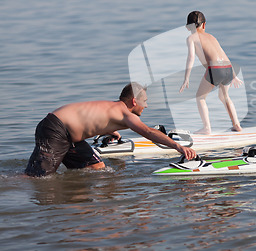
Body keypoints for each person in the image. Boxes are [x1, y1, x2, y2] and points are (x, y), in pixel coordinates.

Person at [25, 82, 197, 177]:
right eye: (145, 101)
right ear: (134, 102)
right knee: (38, 178)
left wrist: (109, 131)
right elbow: (148, 132)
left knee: (98, 167)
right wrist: (178, 147)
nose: (147, 105)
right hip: (55, 129)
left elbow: (93, 119)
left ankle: (84, 199)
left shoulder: (115, 109)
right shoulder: (124, 113)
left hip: (69, 137)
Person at [179, 11, 243, 134]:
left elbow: (191, 57)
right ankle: (237, 125)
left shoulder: (191, 38)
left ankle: (207, 128)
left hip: (215, 69)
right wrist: (234, 75)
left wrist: (186, 78)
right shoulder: (212, 37)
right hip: (227, 67)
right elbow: (224, 55)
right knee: (225, 97)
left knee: (200, 97)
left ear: (187, 27)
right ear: (204, 25)